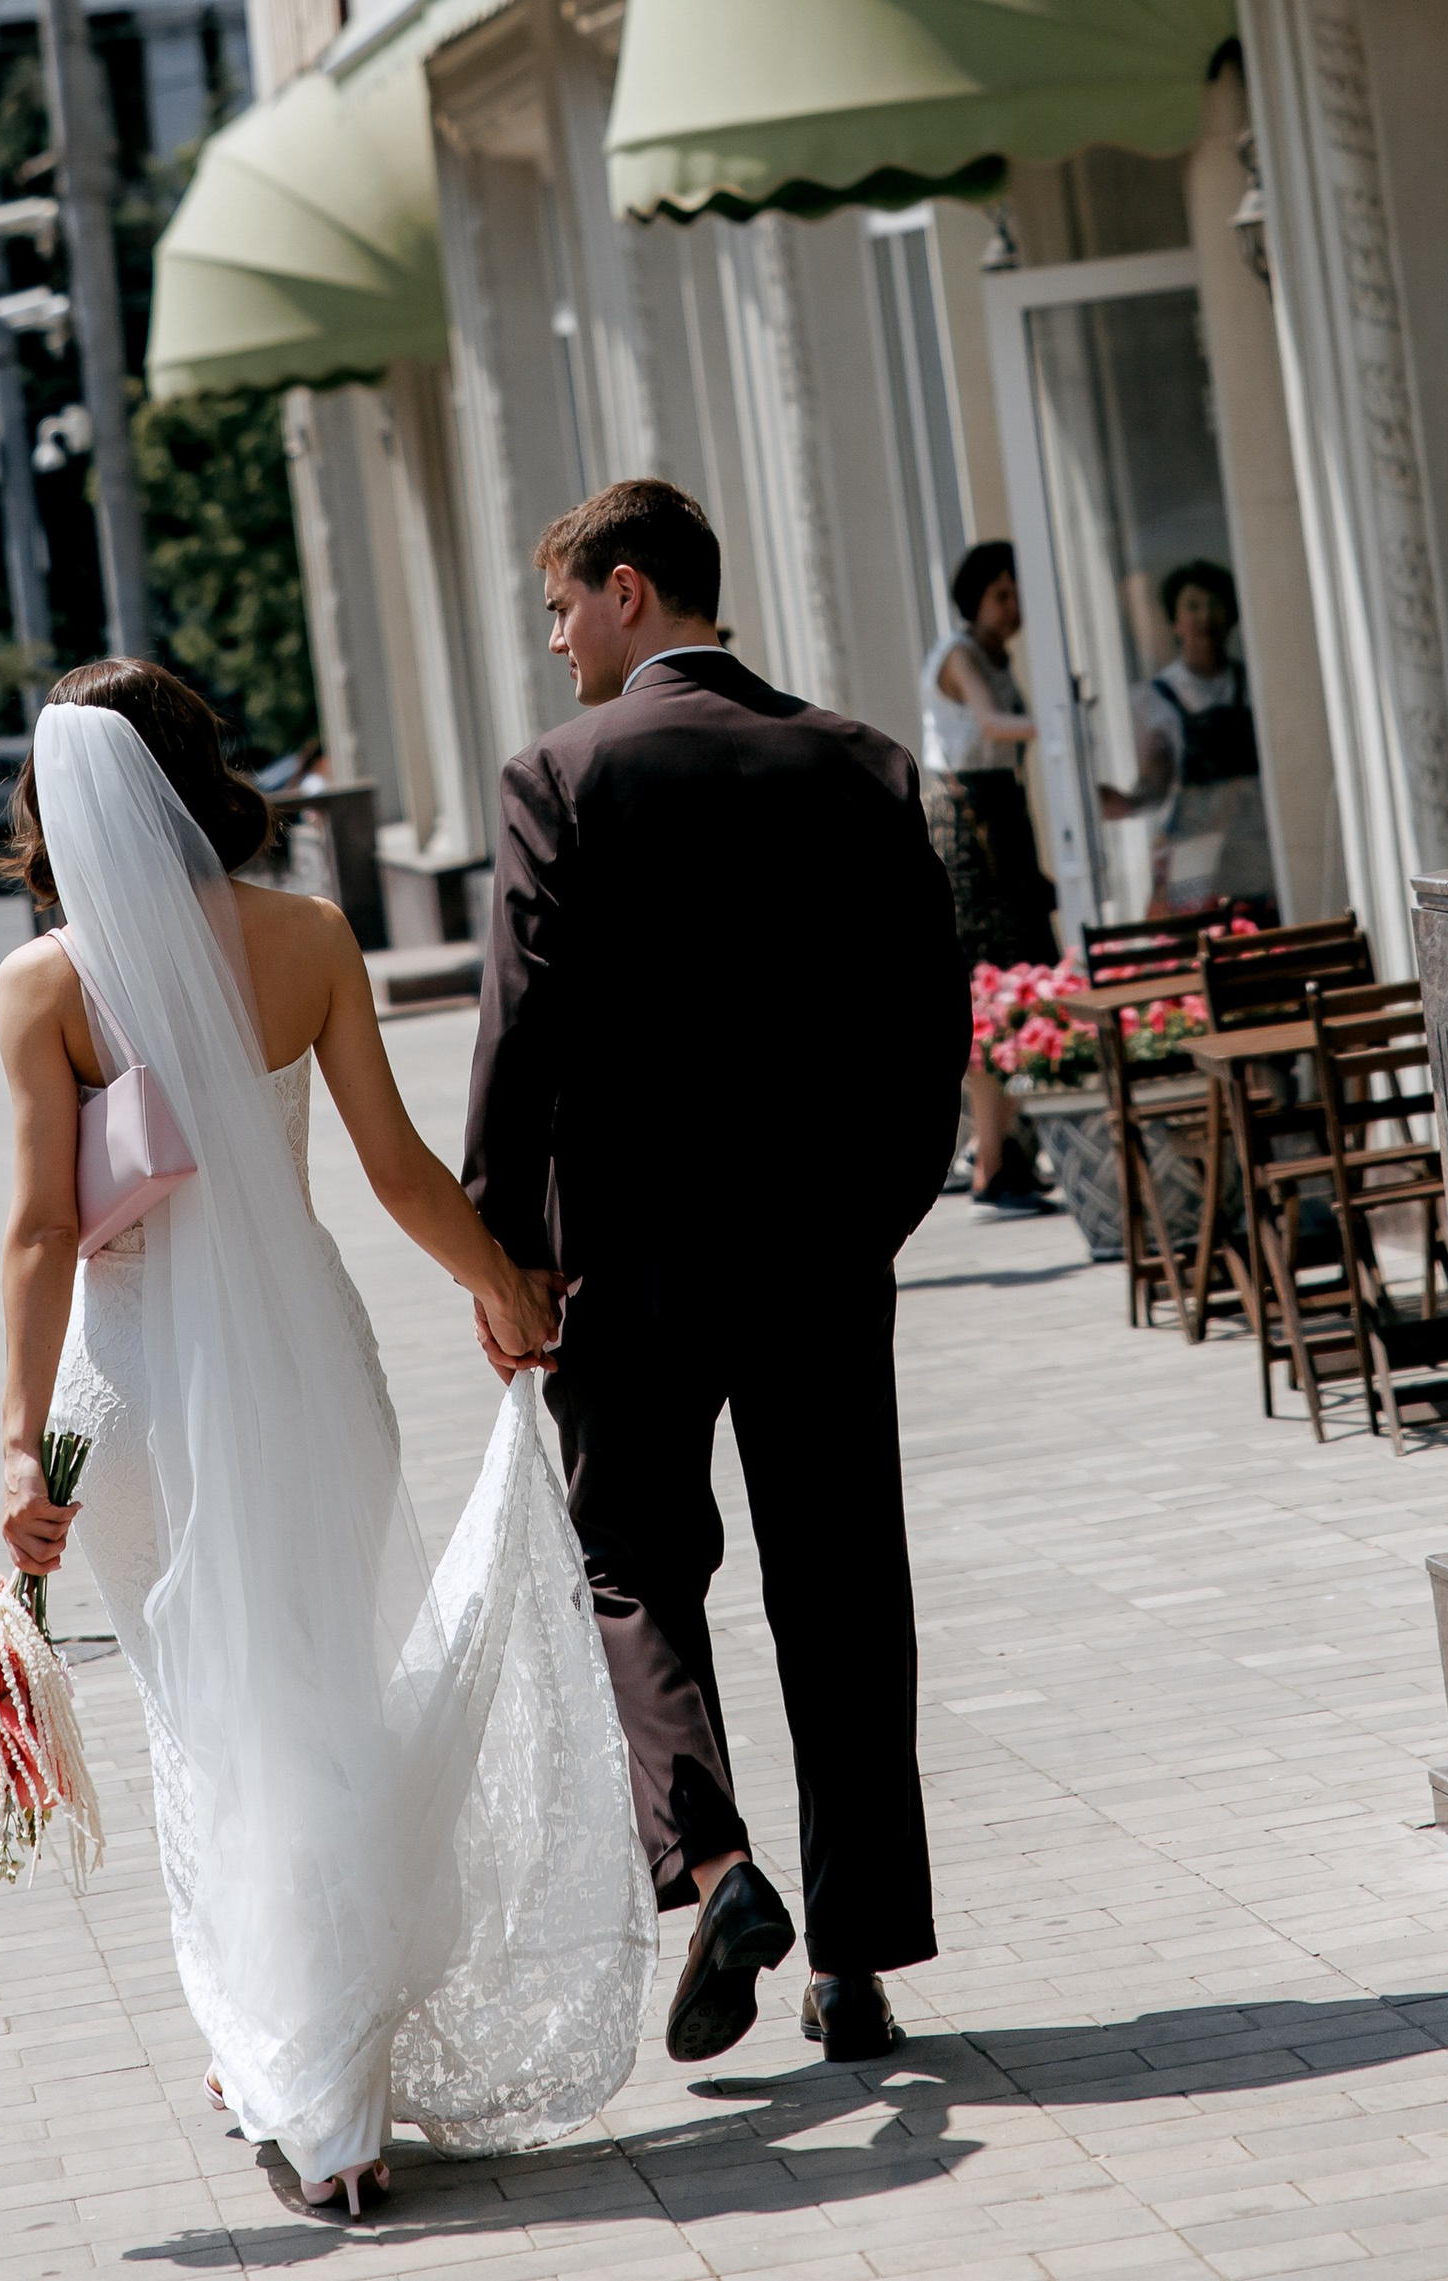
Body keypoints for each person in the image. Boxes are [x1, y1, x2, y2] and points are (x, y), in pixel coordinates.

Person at [0, 665, 653, 2219]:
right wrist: (505, 1286)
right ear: (197, 774)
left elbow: (37, 1229)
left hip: (135, 1398)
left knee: (215, 1727)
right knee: (320, 1704)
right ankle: (318, 2069)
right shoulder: (306, 939)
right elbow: (398, 1167)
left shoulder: (46, 984)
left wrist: (19, 1447)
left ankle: (291, 2065)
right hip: (309, 1369)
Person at [464, 478, 968, 2073]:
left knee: (631, 1561)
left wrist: (505, 1255)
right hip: (821, 1252)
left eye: (559, 609)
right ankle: (859, 1964)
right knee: (842, 1591)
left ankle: (716, 1864)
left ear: (628, 591)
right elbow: (927, 1027)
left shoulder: (560, 777)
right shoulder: (862, 763)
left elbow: (518, 1040)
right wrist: (873, 1214)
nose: (553, 644)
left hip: (630, 1261)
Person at [919, 538, 1060, 1215]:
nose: (1012, 609)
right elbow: (987, 722)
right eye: (1001, 594)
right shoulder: (959, 653)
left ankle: (1008, 1148)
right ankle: (991, 1159)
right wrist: (1060, 721)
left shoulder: (997, 654)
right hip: (966, 819)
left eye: (1017, 595)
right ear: (974, 595)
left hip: (1001, 814)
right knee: (986, 985)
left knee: (1020, 979)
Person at [1100, 557, 1274, 915]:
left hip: (1255, 843)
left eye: (1215, 605)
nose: (1205, 617)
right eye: (1193, 606)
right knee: (1196, 935)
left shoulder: (1255, 682)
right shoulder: (1158, 697)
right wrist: (1126, 802)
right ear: (1175, 622)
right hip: (1194, 847)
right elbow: (1155, 781)